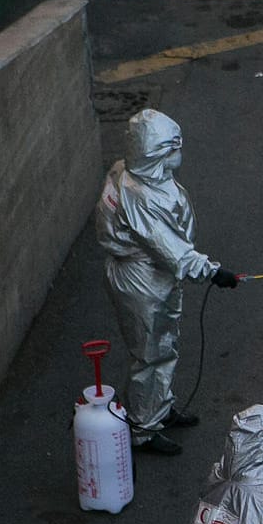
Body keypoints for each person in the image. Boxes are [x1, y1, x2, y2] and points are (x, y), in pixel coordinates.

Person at [97, 109, 238, 457]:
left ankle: (160, 408)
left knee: (162, 346)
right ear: (156, 154)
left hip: (150, 276)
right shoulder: (141, 196)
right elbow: (170, 249)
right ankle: (144, 428)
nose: (179, 152)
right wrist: (213, 272)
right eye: (173, 147)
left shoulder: (128, 172)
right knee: (150, 354)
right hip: (143, 279)